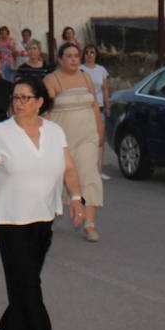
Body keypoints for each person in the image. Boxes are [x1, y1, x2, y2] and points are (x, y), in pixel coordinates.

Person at [0, 78, 84, 330]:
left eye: (25, 98)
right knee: (26, 279)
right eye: (15, 98)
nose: (19, 103)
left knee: (25, 278)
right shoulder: (0, 132)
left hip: (44, 215)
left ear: (39, 102)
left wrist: (75, 198)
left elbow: (69, 168)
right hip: (9, 217)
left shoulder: (55, 132)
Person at [44, 43, 105, 242]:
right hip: (62, 137)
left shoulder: (85, 77)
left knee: (88, 174)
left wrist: (99, 129)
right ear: (60, 59)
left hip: (87, 135)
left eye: (75, 56)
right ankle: (47, 216)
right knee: (58, 178)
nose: (73, 59)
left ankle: (90, 224)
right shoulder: (51, 80)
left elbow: (95, 106)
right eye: (68, 56)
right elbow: (45, 112)